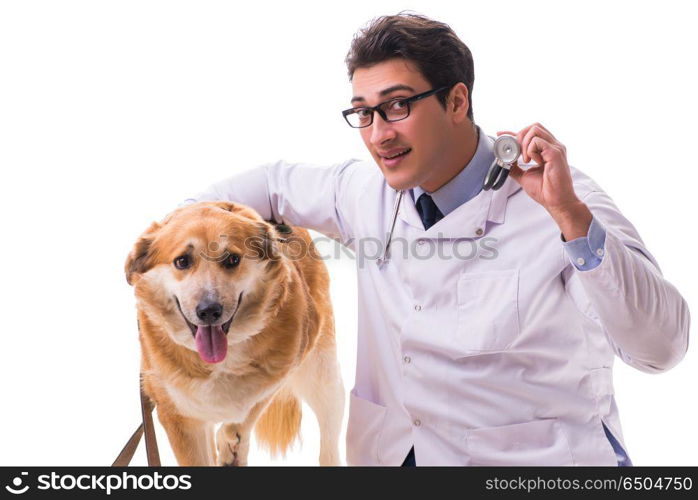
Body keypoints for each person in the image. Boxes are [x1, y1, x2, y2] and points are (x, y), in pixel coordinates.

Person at [180, 13, 689, 466]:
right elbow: (271, 183)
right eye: (364, 112)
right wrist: (173, 239)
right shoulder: (365, 193)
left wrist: (571, 218)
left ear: (457, 100)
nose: (379, 134)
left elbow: (660, 348)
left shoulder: (562, 202)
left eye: (397, 106)